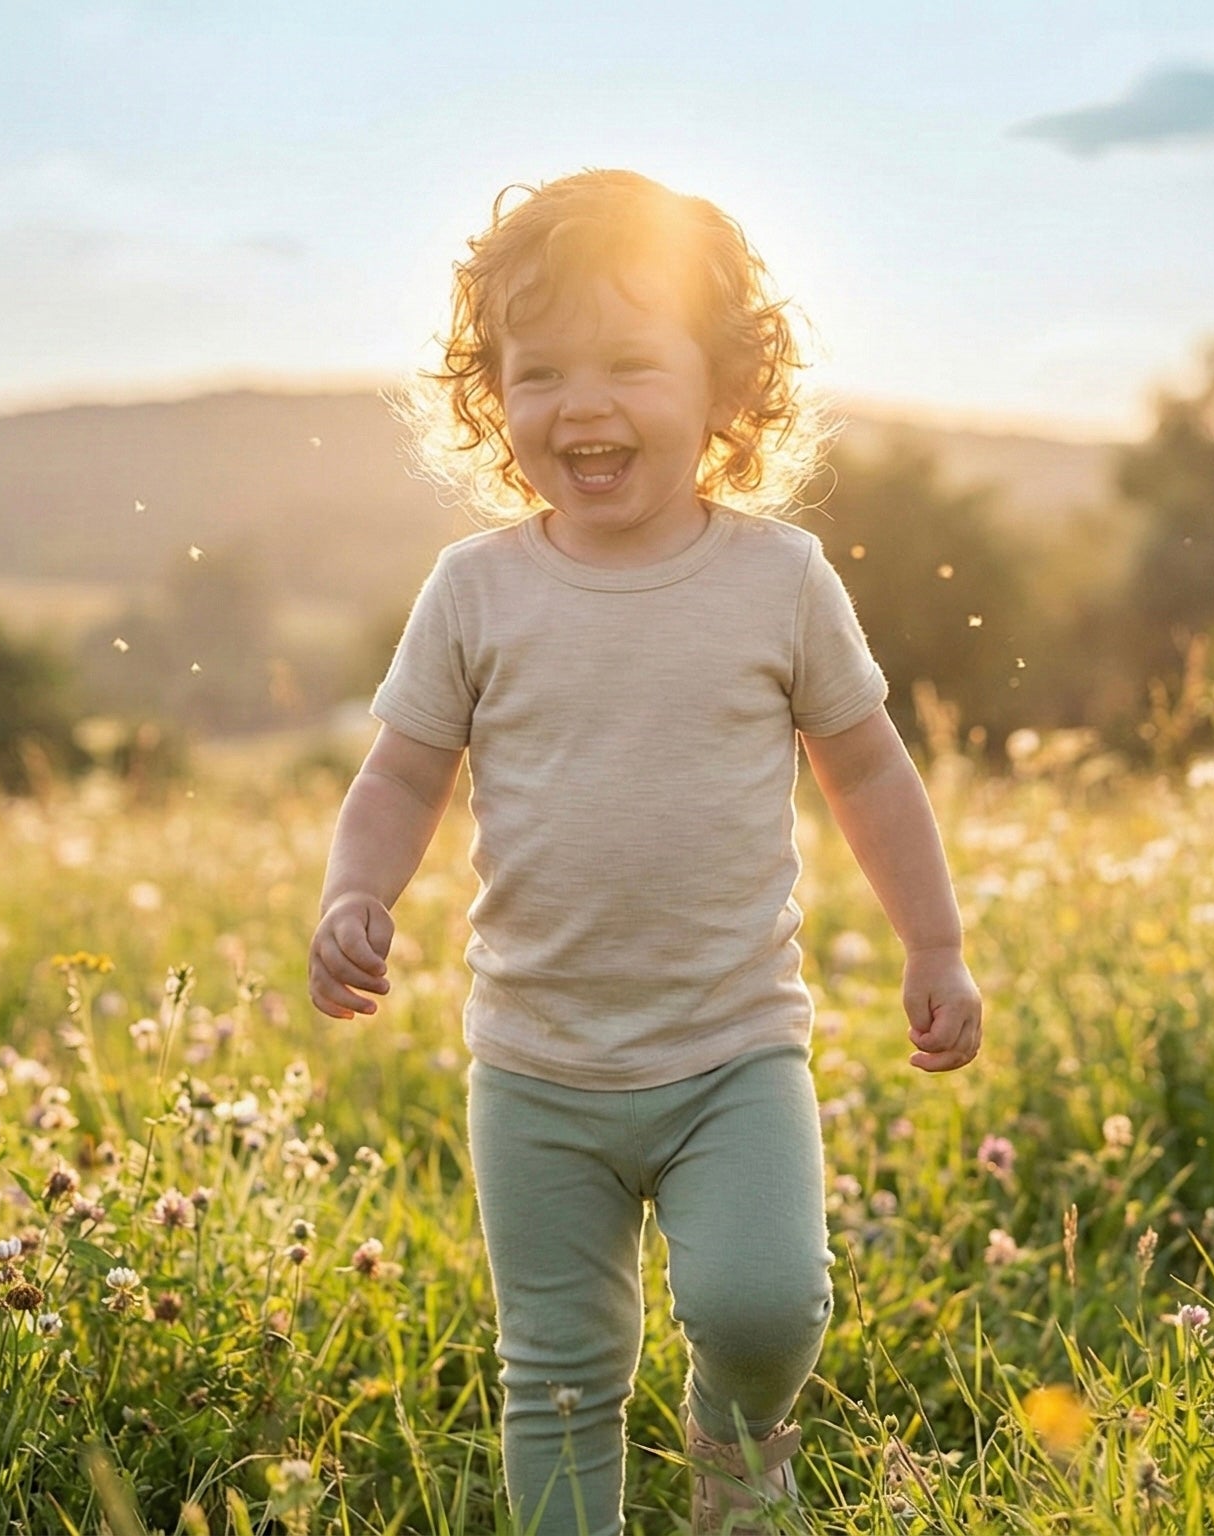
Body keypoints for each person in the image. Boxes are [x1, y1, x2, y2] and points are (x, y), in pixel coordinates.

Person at [307, 168, 983, 1536]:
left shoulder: (777, 582)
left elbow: (867, 769)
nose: (584, 404)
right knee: (555, 1375)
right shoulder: (476, 591)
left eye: (630, 362)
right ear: (496, 398)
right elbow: (399, 773)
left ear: (725, 389)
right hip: (537, 1065)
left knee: (763, 1301)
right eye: (540, 370)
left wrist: (936, 943)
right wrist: (354, 890)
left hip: (732, 1051)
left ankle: (739, 1453)